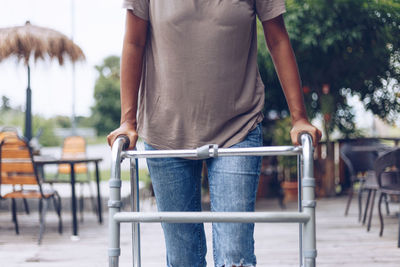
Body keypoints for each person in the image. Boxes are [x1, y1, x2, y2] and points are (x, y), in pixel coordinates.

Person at [107, 1, 322, 266]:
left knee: (235, 254)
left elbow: (277, 39)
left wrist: (299, 118)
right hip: (165, 131)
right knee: (182, 256)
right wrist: (128, 121)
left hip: (238, 126)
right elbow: (134, 42)